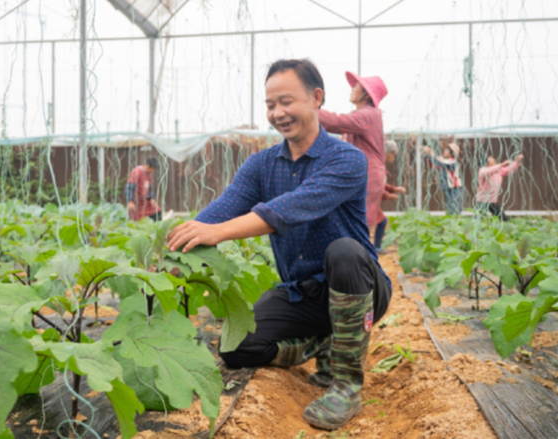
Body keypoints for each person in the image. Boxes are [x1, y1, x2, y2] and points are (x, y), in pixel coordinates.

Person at [167, 59, 392, 430]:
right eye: (270, 105)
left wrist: (218, 233)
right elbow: (224, 207)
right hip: (302, 294)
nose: (278, 113)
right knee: (234, 347)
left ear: (316, 98)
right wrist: (184, 240)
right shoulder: (261, 165)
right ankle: (323, 344)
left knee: (345, 250)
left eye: (286, 101)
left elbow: (288, 208)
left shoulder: (347, 160)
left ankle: (346, 384)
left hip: (360, 287)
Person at [317, 71, 388, 245]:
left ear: (366, 93)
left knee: (360, 224)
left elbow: (338, 122)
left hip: (368, 175)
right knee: (355, 223)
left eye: (356, 86)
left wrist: (310, 109)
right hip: (365, 174)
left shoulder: (369, 114)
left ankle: (365, 265)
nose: (351, 89)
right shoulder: (365, 115)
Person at [373, 140, 406, 252]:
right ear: (389, 152)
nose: (393, 157)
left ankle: (374, 247)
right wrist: (389, 195)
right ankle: (374, 248)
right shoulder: (377, 164)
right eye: (393, 155)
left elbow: (381, 183)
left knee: (380, 221)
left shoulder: (379, 163)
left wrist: (394, 189)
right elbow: (374, 185)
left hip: (370, 200)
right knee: (381, 221)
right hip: (368, 200)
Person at [476, 154, 524, 221]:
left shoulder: (498, 170)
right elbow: (489, 171)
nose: (494, 159)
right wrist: (502, 164)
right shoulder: (482, 170)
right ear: (487, 163)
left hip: (493, 201)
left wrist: (517, 162)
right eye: (491, 158)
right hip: (482, 201)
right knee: (479, 220)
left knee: (503, 218)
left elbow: (509, 170)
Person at [422, 142, 463, 215]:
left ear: (452, 153)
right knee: (451, 211)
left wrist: (430, 151)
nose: (444, 151)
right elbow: (434, 164)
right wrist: (426, 156)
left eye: (447, 149)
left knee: (455, 212)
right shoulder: (446, 163)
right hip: (450, 190)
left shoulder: (453, 162)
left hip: (455, 190)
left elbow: (440, 161)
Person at [126, 157, 162, 221]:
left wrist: (151, 198)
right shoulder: (136, 172)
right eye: (152, 169)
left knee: (157, 212)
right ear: (148, 165)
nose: (152, 171)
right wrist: (130, 201)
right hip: (137, 202)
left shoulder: (148, 174)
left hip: (145, 202)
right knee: (137, 220)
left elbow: (150, 188)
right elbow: (129, 187)